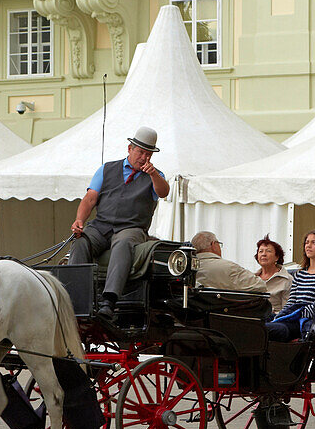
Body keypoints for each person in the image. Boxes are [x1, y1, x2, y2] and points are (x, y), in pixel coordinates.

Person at [69, 126, 170, 325]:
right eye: (141, 152)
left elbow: (164, 192)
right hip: (102, 225)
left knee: (123, 243)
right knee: (81, 242)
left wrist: (154, 175)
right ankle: (75, 298)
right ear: (130, 148)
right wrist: (79, 219)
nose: (144, 158)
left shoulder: (155, 175)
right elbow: (90, 198)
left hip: (132, 227)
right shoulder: (107, 169)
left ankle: (109, 300)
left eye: (148, 154)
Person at [266, 230, 315, 341]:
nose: (308, 246)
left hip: (306, 321)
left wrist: (297, 314)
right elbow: (291, 301)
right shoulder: (299, 274)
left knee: (269, 329)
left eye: (314, 243)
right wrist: (284, 315)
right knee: (259, 321)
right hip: (292, 317)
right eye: (307, 243)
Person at [191, 231, 267, 293]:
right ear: (213, 244)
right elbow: (260, 286)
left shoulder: (185, 270)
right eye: (219, 244)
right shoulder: (229, 268)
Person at [254, 234, 292, 314]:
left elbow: (287, 311)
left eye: (268, 251)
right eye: (261, 251)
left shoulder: (287, 280)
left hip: (275, 319)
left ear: (277, 257)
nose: (264, 254)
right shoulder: (252, 279)